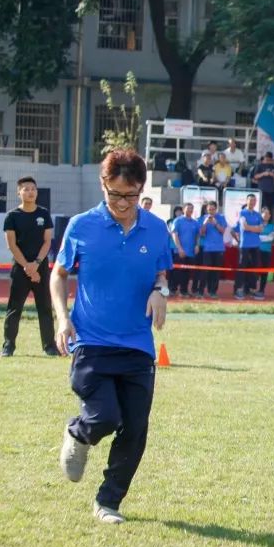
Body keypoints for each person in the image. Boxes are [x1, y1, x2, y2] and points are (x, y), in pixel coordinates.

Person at [50, 149, 172, 524]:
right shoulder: (81, 226)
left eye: (131, 195)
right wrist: (62, 318)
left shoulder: (155, 228)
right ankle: (80, 432)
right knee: (104, 417)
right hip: (91, 343)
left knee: (134, 430)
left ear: (141, 190)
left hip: (137, 346)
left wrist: (160, 291)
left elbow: (161, 276)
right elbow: (59, 274)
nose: (123, 203)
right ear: (104, 185)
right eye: (115, 194)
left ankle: (108, 502)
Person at [3, 176, 59, 357]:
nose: (30, 192)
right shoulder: (12, 216)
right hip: (20, 268)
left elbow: (47, 242)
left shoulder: (43, 214)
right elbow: (12, 245)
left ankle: (49, 346)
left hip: (40, 267)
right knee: (14, 308)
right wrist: (27, 267)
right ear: (19, 193)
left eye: (33, 188)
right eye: (25, 189)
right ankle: (8, 346)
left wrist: (35, 265)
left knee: (45, 307)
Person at [235, 194, 264, 299]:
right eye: (250, 200)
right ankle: (239, 289)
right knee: (242, 267)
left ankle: (251, 289)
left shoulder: (258, 214)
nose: (252, 202)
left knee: (254, 268)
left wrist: (251, 228)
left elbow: (261, 229)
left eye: (254, 201)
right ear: (246, 201)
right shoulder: (242, 212)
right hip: (245, 244)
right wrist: (254, 228)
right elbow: (244, 227)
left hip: (255, 245)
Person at [198, 200, 227, 299]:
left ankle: (213, 291)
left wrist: (215, 223)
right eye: (209, 209)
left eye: (213, 209)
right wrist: (205, 223)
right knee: (205, 271)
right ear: (206, 209)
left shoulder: (221, 218)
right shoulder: (203, 218)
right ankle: (200, 291)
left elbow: (223, 231)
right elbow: (201, 233)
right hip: (207, 248)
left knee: (216, 271)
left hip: (219, 248)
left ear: (216, 209)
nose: (211, 211)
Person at [169, 203, 200, 297]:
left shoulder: (195, 222)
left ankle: (184, 291)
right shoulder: (178, 221)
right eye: (188, 209)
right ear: (183, 209)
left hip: (190, 252)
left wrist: (197, 245)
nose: (189, 211)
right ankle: (173, 290)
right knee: (177, 272)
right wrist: (179, 248)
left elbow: (197, 235)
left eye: (191, 209)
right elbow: (174, 234)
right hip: (179, 251)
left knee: (187, 274)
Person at [256, 206, 274, 297]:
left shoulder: (272, 226)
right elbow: (254, 236)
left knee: (264, 272)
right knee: (253, 270)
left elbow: (270, 238)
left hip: (266, 251)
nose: (267, 215)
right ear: (261, 214)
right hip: (255, 250)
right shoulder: (256, 224)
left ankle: (261, 290)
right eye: (265, 213)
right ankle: (250, 289)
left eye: (268, 214)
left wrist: (258, 237)